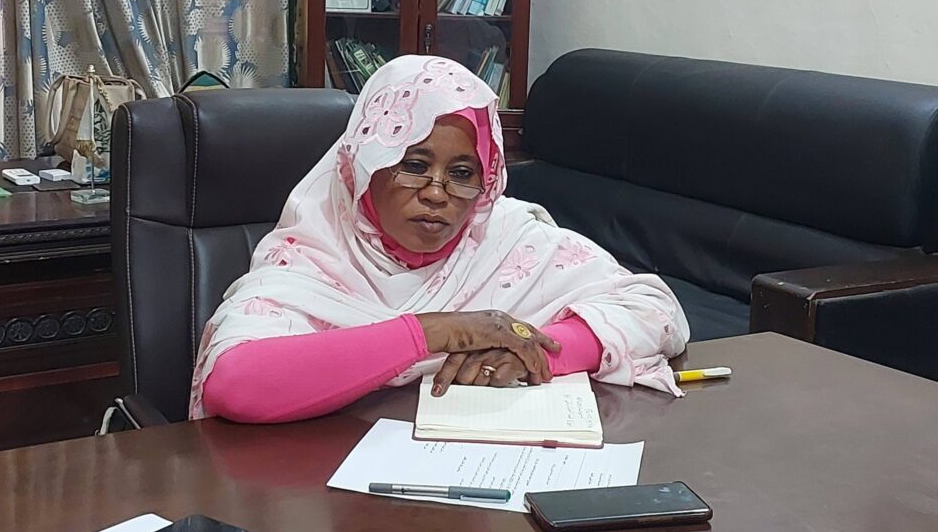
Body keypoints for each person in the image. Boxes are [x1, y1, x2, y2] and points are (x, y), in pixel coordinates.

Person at [190, 55, 690, 423]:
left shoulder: (504, 237)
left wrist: (534, 354)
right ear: (364, 166)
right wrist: (430, 333)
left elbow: (654, 310)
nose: (437, 193)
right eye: (413, 165)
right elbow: (234, 383)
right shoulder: (312, 254)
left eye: (462, 173)